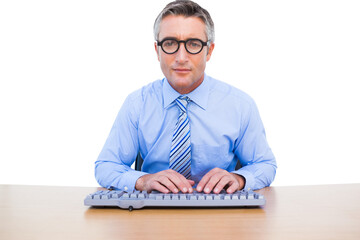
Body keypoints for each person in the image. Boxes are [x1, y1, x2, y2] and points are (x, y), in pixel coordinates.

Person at [95, 0, 277, 194]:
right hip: (152, 213)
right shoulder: (137, 104)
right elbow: (106, 166)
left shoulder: (240, 105)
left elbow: (265, 164)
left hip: (221, 213)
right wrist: (142, 180)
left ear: (209, 51)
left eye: (193, 44)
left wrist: (239, 178)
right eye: (170, 43)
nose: (181, 57)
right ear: (157, 50)